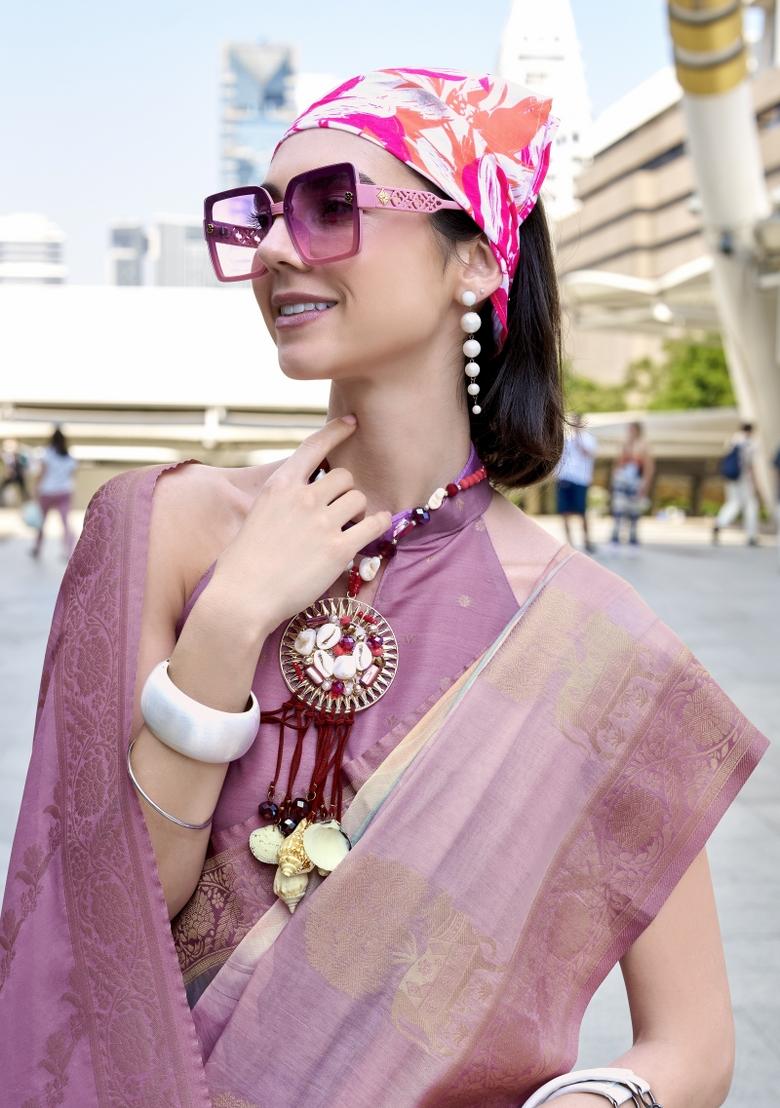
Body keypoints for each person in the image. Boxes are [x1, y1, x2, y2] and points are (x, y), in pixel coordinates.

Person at [1, 69, 768, 1108]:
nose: (275, 249)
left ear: (473, 261)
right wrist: (225, 628)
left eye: (329, 207)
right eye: (262, 216)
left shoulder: (593, 639)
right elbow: (92, 934)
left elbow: (692, 1044)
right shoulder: (159, 530)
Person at [28, 425, 78, 559]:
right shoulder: (69, 456)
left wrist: (35, 488)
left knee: (41, 521)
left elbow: (42, 473)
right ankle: (69, 550)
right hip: (64, 492)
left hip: (48, 491)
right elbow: (72, 475)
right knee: (65, 522)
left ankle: (37, 548)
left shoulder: (47, 454)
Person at [609, 421, 655, 552]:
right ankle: (615, 537)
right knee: (619, 508)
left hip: (635, 482)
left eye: (632, 430)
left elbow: (648, 467)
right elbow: (618, 463)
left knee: (634, 511)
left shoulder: (644, 446)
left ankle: (632, 538)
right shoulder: (624, 444)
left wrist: (645, 486)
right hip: (622, 480)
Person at [555, 412, 598, 553]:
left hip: (580, 479)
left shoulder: (588, 439)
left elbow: (588, 454)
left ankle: (586, 540)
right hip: (565, 478)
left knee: (581, 512)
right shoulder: (566, 439)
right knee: (564, 512)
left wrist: (578, 437)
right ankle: (570, 543)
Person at [712, 422, 759, 547]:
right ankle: (751, 536)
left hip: (731, 478)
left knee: (733, 502)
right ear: (751, 431)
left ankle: (720, 523)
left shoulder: (733, 440)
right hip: (744, 479)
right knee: (751, 505)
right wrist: (755, 483)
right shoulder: (751, 443)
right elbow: (750, 465)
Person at [0, 438, 30, 503]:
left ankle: (27, 501)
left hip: (19, 476)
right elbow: (8, 466)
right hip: (11, 476)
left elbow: (24, 466)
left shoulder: (21, 456)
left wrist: (23, 473)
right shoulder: (9, 456)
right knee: (3, 487)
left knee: (23, 489)